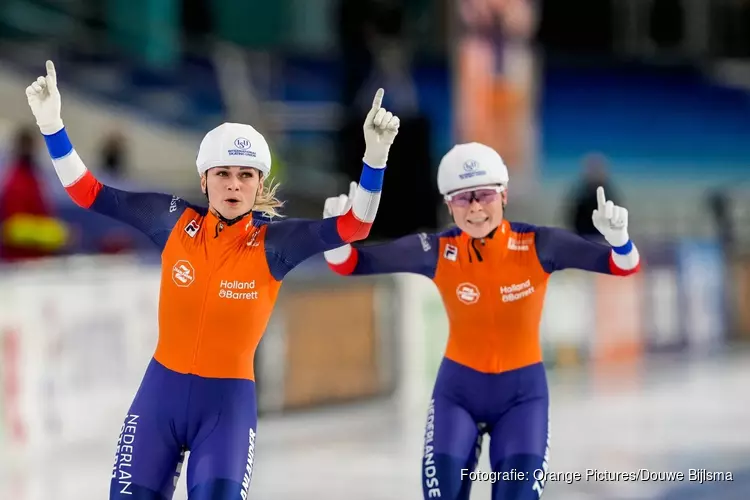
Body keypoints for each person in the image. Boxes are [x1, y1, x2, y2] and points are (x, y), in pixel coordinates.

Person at [25, 60, 400, 500]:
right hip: (158, 400)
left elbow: (355, 226)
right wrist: (52, 126)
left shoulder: (276, 243)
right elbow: (86, 191)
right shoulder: (169, 219)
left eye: (246, 175)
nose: (233, 184)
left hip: (225, 412)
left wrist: (375, 159)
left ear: (259, 184)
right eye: (222, 173)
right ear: (205, 180)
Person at [322, 142, 640, 500]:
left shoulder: (539, 244)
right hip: (458, 396)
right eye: (462, 199)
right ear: (448, 205)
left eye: (484, 195)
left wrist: (621, 242)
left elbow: (622, 266)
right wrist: (337, 237)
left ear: (503, 195)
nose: (474, 208)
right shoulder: (436, 250)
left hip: (523, 400)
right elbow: (349, 264)